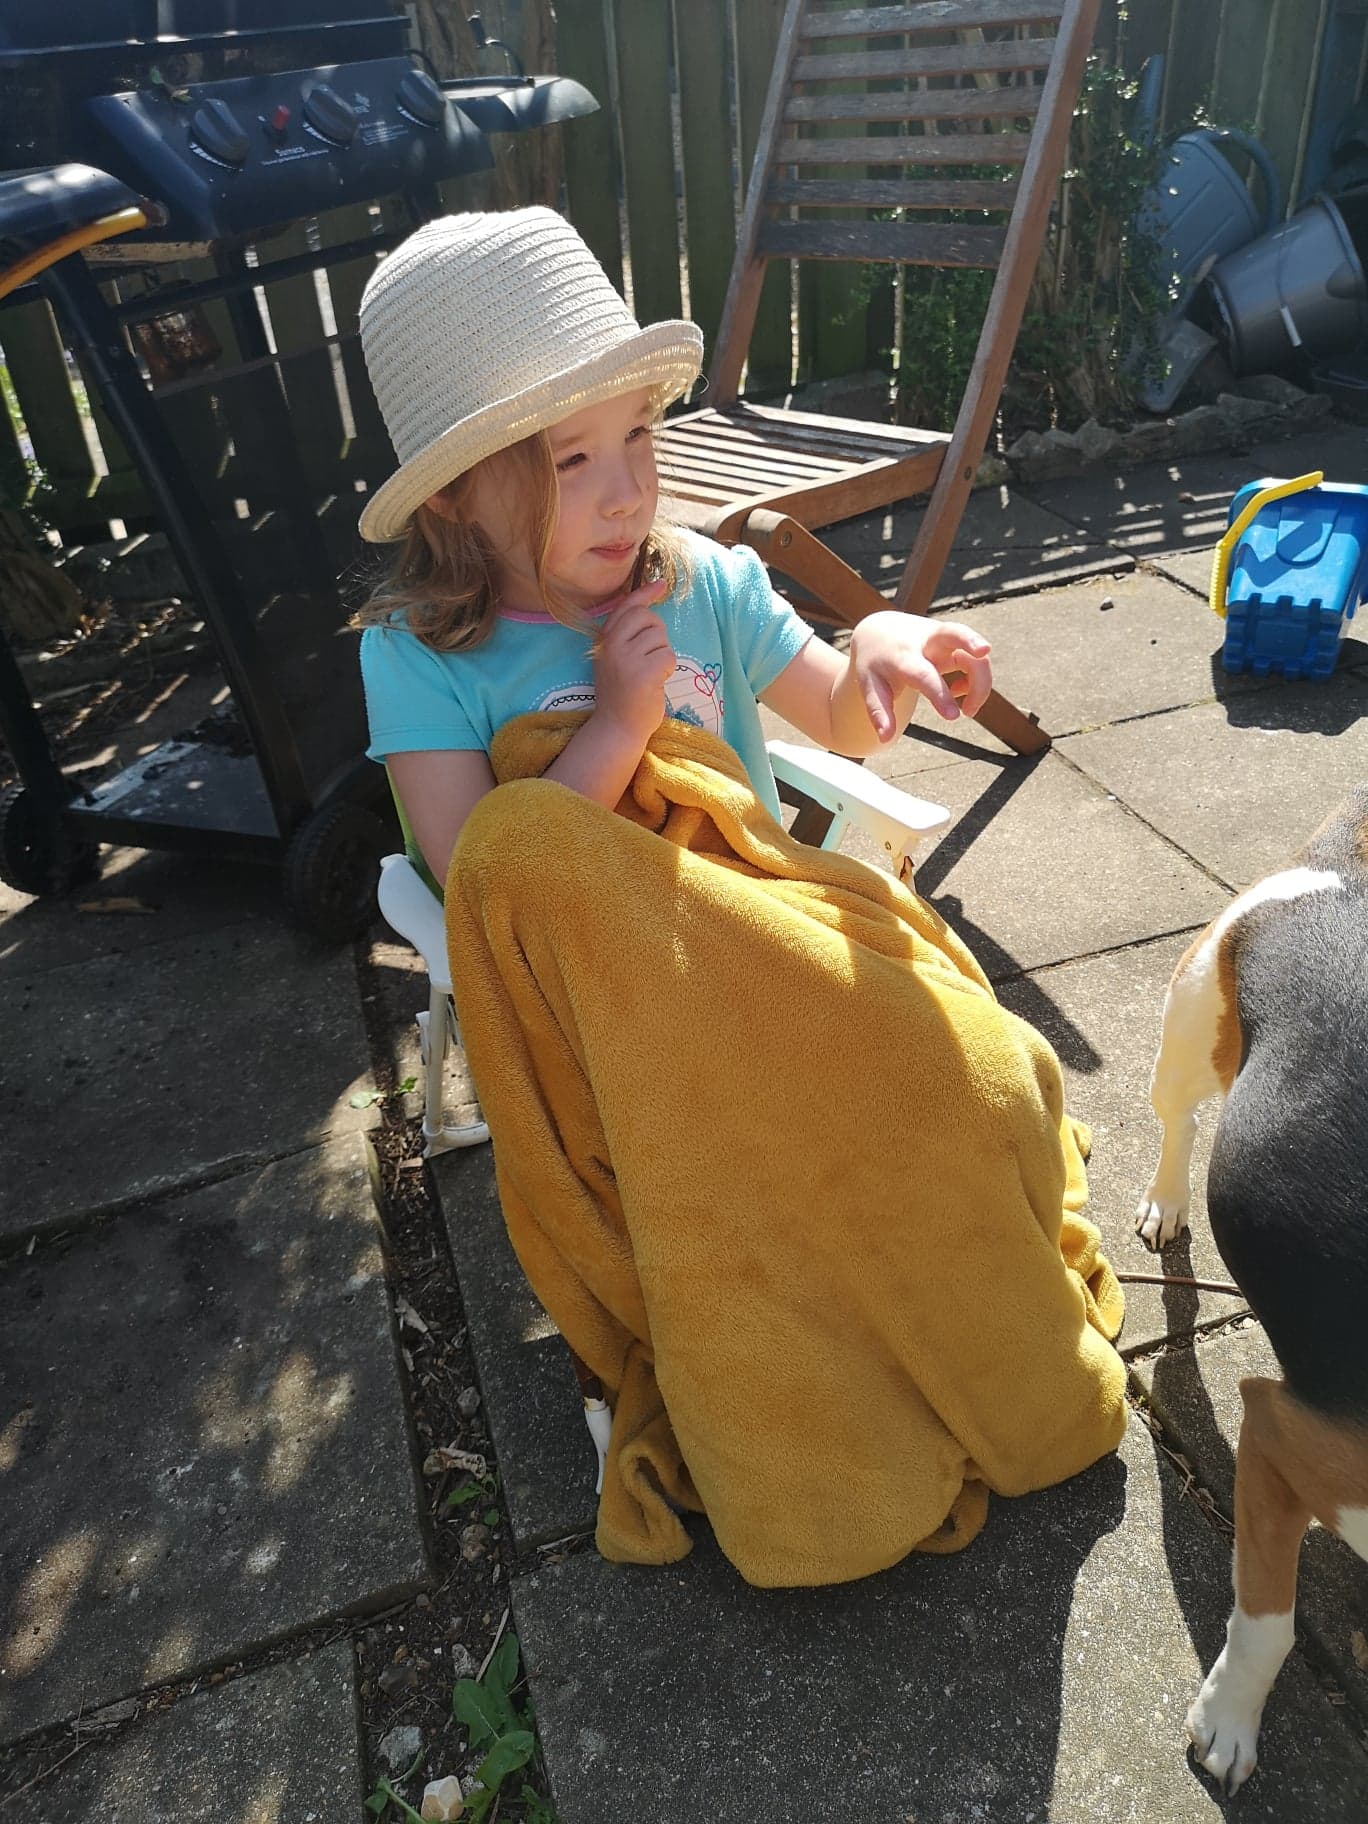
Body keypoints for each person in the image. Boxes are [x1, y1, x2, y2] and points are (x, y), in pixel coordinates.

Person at [354, 206, 994, 883]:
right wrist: (617, 729)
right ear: (450, 494)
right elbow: (479, 878)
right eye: (570, 461)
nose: (627, 494)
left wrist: (877, 654)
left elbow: (844, 722)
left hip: (753, 917)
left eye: (636, 433)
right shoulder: (418, 656)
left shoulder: (708, 583)